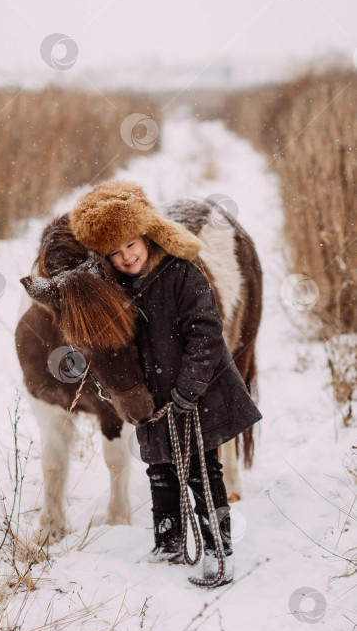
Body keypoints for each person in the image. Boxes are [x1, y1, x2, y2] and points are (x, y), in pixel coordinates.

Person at [69, 180, 262, 587]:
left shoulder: (182, 275)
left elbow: (207, 335)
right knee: (160, 473)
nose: (126, 258)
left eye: (130, 246)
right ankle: (168, 541)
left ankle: (218, 551)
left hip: (197, 397)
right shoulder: (117, 288)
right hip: (155, 400)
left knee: (202, 474)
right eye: (115, 253)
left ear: (146, 235)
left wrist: (189, 388)